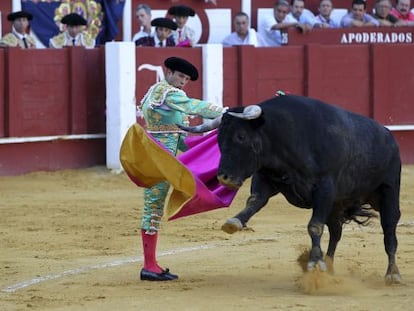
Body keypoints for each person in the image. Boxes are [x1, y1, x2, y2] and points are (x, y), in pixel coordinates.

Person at [136, 57, 225, 281]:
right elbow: (196, 106)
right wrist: (227, 112)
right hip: (158, 160)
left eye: (186, 79)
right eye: (181, 76)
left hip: (161, 158)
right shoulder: (169, 93)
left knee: (153, 208)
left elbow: (179, 138)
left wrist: (207, 148)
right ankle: (149, 266)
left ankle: (150, 264)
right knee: (153, 209)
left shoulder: (160, 92)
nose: (183, 81)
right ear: (169, 72)